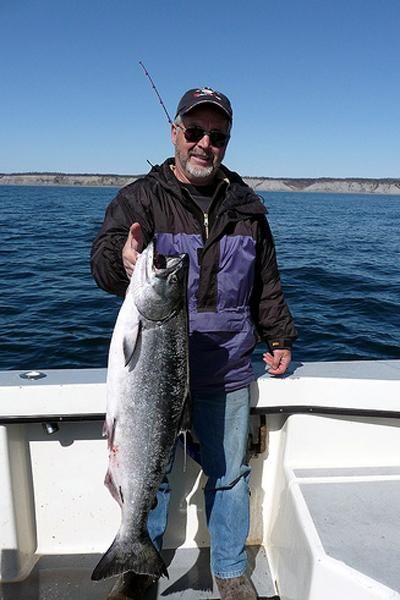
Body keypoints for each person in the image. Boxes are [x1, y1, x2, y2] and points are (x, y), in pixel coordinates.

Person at [91, 86, 297, 600]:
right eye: (195, 131)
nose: (206, 143)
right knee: (151, 475)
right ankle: (138, 568)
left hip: (226, 368)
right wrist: (124, 261)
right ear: (175, 133)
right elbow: (103, 258)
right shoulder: (141, 198)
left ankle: (229, 572)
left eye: (218, 135)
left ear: (226, 142)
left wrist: (278, 335)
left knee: (229, 476)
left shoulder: (248, 207)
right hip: (157, 376)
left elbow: (265, 281)